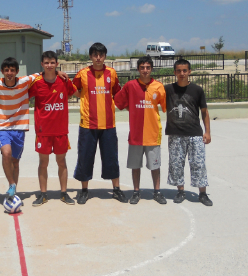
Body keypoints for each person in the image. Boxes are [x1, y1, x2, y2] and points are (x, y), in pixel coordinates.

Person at [0, 58, 68, 200]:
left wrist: (57, 71)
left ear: (17, 72)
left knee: (15, 162)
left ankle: (13, 192)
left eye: (12, 70)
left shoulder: (26, 81)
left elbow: (44, 73)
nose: (9, 73)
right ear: (2, 72)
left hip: (19, 127)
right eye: (6, 70)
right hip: (1, 126)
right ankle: (12, 184)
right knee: (6, 153)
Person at [72, 42, 126, 204]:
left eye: (101, 55)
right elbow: (72, 88)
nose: (98, 58)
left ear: (105, 56)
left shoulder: (112, 73)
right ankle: (84, 190)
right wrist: (81, 96)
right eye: (95, 55)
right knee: (85, 157)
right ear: (90, 56)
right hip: (88, 124)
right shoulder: (82, 73)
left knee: (111, 157)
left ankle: (116, 189)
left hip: (108, 124)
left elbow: (118, 93)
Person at [114, 56, 167, 205]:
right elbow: (118, 101)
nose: (145, 70)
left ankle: (157, 192)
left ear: (151, 69)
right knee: (135, 165)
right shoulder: (130, 85)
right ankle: (136, 192)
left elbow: (164, 106)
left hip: (152, 133)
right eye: (142, 67)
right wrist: (130, 107)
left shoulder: (158, 86)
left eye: (148, 67)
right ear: (138, 69)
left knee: (155, 166)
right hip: (136, 134)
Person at [29, 51, 77, 206]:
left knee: (61, 161)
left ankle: (64, 193)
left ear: (57, 64)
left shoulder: (64, 80)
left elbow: (72, 93)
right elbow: (22, 93)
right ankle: (43, 194)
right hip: (43, 131)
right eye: (46, 63)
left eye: (52, 62)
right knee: (43, 163)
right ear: (42, 64)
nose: (49, 65)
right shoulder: (36, 82)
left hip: (60, 130)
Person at [165, 58, 213, 206]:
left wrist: (208, 132)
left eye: (184, 70)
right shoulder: (167, 89)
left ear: (189, 72)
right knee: (176, 164)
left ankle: (202, 193)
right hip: (175, 133)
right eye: (178, 71)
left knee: (198, 163)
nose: (182, 73)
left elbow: (204, 112)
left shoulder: (197, 90)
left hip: (194, 133)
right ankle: (180, 191)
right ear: (174, 72)